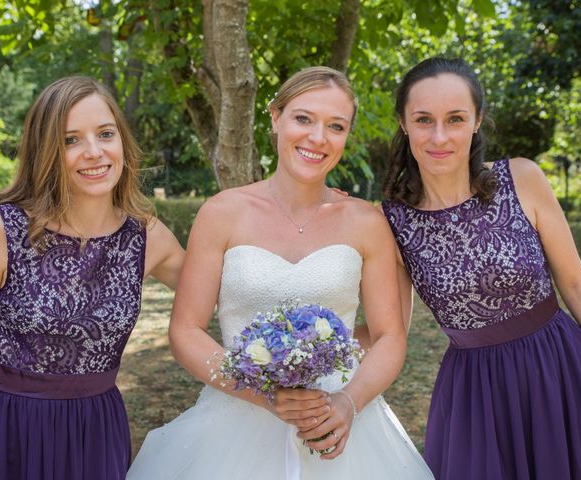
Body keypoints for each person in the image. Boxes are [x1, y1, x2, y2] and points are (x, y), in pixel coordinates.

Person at [127, 66, 433, 479]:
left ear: (347, 136)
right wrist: (262, 395)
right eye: (303, 118)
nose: (317, 137)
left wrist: (348, 402)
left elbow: (390, 336)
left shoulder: (365, 222)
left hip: (339, 423)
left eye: (336, 126)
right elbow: (185, 331)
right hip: (234, 420)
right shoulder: (222, 213)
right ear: (275, 117)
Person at [379, 57, 581, 479]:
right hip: (476, 398)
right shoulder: (392, 221)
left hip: (561, 372)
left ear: (477, 121)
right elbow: (390, 332)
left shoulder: (522, 178)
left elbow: (575, 283)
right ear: (403, 123)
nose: (440, 136)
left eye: (455, 118)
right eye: (424, 120)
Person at [0, 76, 185, 480]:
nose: (94, 152)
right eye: (71, 140)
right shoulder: (0, 231)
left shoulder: (146, 236)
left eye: (105, 134)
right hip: (4, 431)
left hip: (96, 434)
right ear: (45, 150)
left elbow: (229, 292)